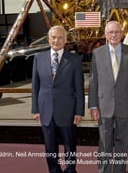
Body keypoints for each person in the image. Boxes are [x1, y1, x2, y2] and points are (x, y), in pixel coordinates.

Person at [88, 20, 128, 173]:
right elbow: (93, 81)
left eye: (117, 32)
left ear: (122, 33)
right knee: (104, 143)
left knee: (122, 143)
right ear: (105, 35)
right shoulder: (97, 53)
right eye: (111, 32)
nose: (114, 35)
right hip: (103, 106)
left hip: (125, 106)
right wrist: (93, 105)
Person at [31, 25, 85, 173]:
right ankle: (54, 170)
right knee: (50, 147)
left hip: (68, 111)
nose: (56, 40)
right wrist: (35, 109)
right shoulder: (38, 58)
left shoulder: (74, 59)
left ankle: (70, 170)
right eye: (53, 37)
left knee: (70, 145)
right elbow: (35, 86)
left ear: (65, 40)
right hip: (45, 111)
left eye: (60, 37)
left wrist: (79, 111)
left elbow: (79, 88)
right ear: (49, 39)